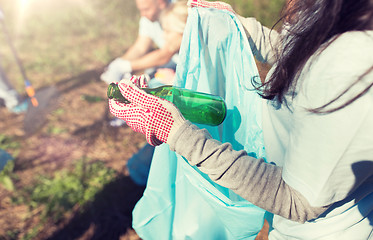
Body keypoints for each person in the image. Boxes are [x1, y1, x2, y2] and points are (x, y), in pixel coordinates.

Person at [108, 0, 373, 239]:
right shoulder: (334, 13)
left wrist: (178, 134)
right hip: (285, 226)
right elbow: (299, 55)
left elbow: (297, 199)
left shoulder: (357, 68)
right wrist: (237, 29)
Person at [102, 0, 187, 126]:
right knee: (148, 75)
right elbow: (140, 47)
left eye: (146, 9)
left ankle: (138, 114)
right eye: (140, 10)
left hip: (181, 66)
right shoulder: (148, 18)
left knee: (150, 87)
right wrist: (120, 63)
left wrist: (128, 66)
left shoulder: (177, 12)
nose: (143, 14)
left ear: (160, 3)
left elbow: (166, 53)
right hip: (168, 66)